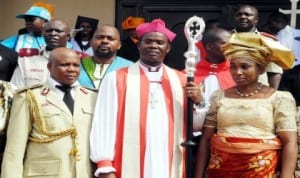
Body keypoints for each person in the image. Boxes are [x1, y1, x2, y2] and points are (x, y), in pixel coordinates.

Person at [89, 18, 202, 178]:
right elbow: (103, 122)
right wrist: (104, 164)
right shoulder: (116, 78)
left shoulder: (181, 80)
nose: (153, 46)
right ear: (138, 44)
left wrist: (198, 102)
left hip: (168, 156)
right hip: (128, 159)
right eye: (148, 41)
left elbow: (195, 127)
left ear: (168, 48)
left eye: (159, 42)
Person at [194, 32, 297, 178]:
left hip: (262, 171)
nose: (237, 72)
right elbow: (205, 139)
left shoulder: (279, 98)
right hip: (220, 170)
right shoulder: (219, 96)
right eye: (233, 67)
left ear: (261, 69)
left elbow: (289, 142)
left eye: (245, 67)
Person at [1, 47, 97, 178]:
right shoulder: (29, 96)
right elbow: (14, 149)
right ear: (49, 66)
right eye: (64, 65)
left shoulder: (92, 97)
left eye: (76, 65)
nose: (71, 69)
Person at [233, 4, 283, 89]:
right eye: (239, 14)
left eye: (247, 14)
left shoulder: (268, 41)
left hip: (258, 91)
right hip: (230, 89)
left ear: (256, 19)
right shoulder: (224, 38)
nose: (243, 17)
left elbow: (274, 71)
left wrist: (272, 94)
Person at [10, 19, 71, 88]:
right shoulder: (25, 62)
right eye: (49, 31)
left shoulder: (78, 62)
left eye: (58, 31)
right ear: (43, 34)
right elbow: (14, 91)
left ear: (68, 37)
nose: (53, 34)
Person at [78, 25, 133, 89]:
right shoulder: (77, 65)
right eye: (99, 37)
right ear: (91, 42)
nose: (104, 41)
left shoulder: (130, 67)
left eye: (110, 39)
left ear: (119, 45)